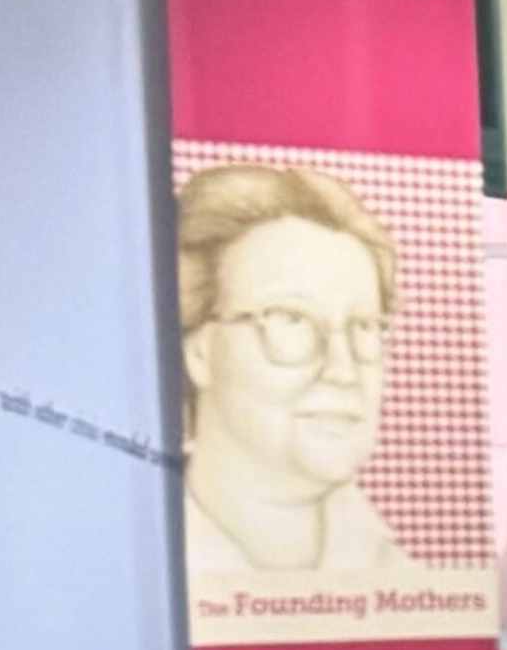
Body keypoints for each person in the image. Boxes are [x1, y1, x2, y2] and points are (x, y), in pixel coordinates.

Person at [175, 163, 416, 580]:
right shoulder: (131, 560)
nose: (344, 371)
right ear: (200, 353)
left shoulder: (409, 579)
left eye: (363, 326)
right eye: (292, 320)